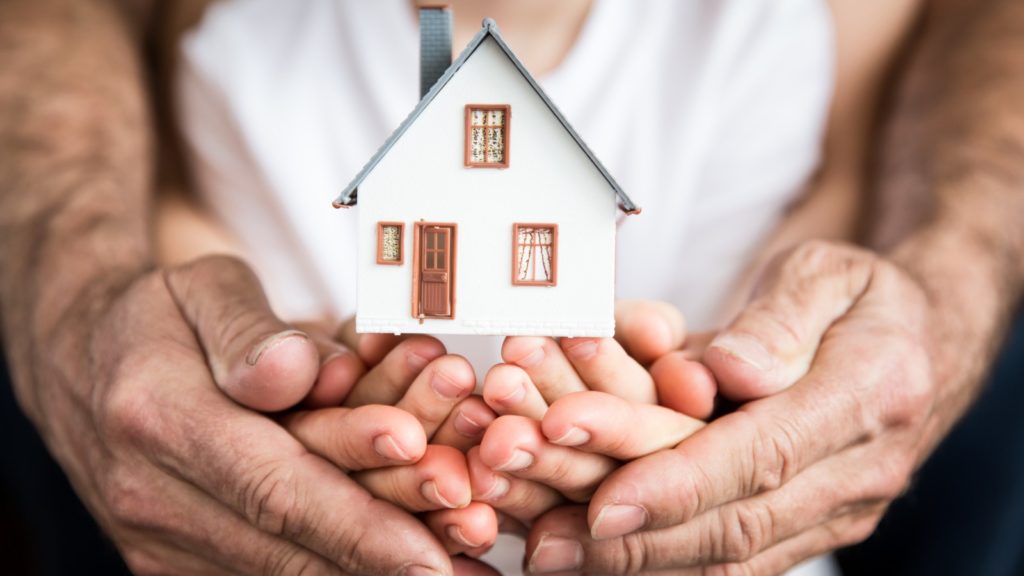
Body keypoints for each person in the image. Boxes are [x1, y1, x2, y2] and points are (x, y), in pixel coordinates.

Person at [1, 2, 1021, 576]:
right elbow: (218, 294)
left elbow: (797, 287)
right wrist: (314, 397)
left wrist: (690, 405)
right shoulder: (233, 52)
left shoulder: (777, 38)